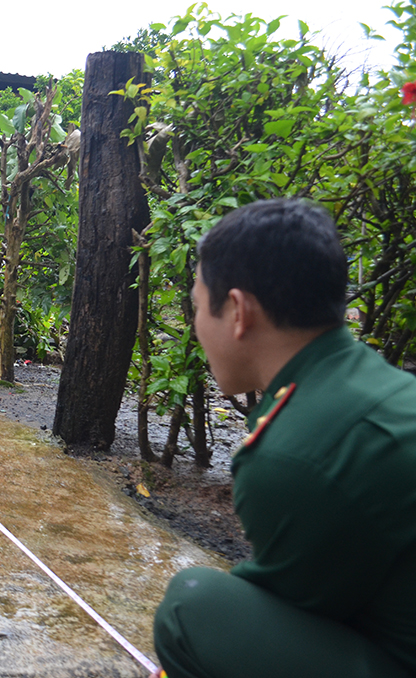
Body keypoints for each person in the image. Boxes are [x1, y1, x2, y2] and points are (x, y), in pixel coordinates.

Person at [150, 199, 416, 678]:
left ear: (238, 311)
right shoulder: (380, 387)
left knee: (192, 608)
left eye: (197, 307)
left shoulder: (291, 453)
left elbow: (286, 610)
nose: (195, 326)